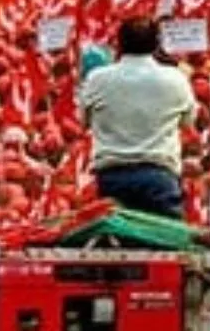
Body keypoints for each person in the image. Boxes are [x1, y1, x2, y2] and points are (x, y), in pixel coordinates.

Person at [76, 16, 197, 220]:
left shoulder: (97, 79)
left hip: (111, 179)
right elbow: (188, 122)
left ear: (119, 44)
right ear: (157, 44)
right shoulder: (176, 79)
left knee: (114, 244)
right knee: (167, 243)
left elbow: (84, 121)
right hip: (159, 178)